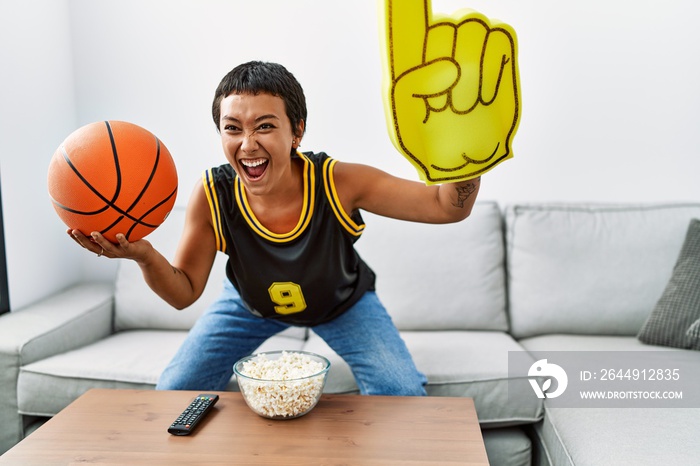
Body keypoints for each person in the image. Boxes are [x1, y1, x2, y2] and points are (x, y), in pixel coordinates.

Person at [69, 61, 481, 395]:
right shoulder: (212, 192)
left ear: (297, 130)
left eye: (264, 126)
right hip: (249, 305)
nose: (247, 144)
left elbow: (445, 207)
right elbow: (183, 293)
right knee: (175, 390)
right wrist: (143, 255)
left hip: (343, 304)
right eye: (233, 128)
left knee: (402, 394)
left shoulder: (337, 181)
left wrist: (466, 156)